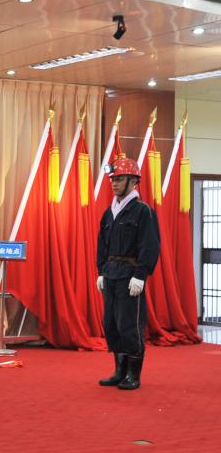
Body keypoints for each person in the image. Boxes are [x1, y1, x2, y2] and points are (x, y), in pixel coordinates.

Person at [96, 156, 160, 391]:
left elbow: (150, 245)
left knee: (129, 324)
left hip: (130, 275)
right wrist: (101, 271)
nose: (114, 183)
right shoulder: (109, 212)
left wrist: (140, 275)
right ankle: (119, 371)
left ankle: (133, 374)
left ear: (133, 181)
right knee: (111, 323)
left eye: (119, 179)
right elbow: (102, 245)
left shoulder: (143, 211)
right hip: (111, 274)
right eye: (113, 179)